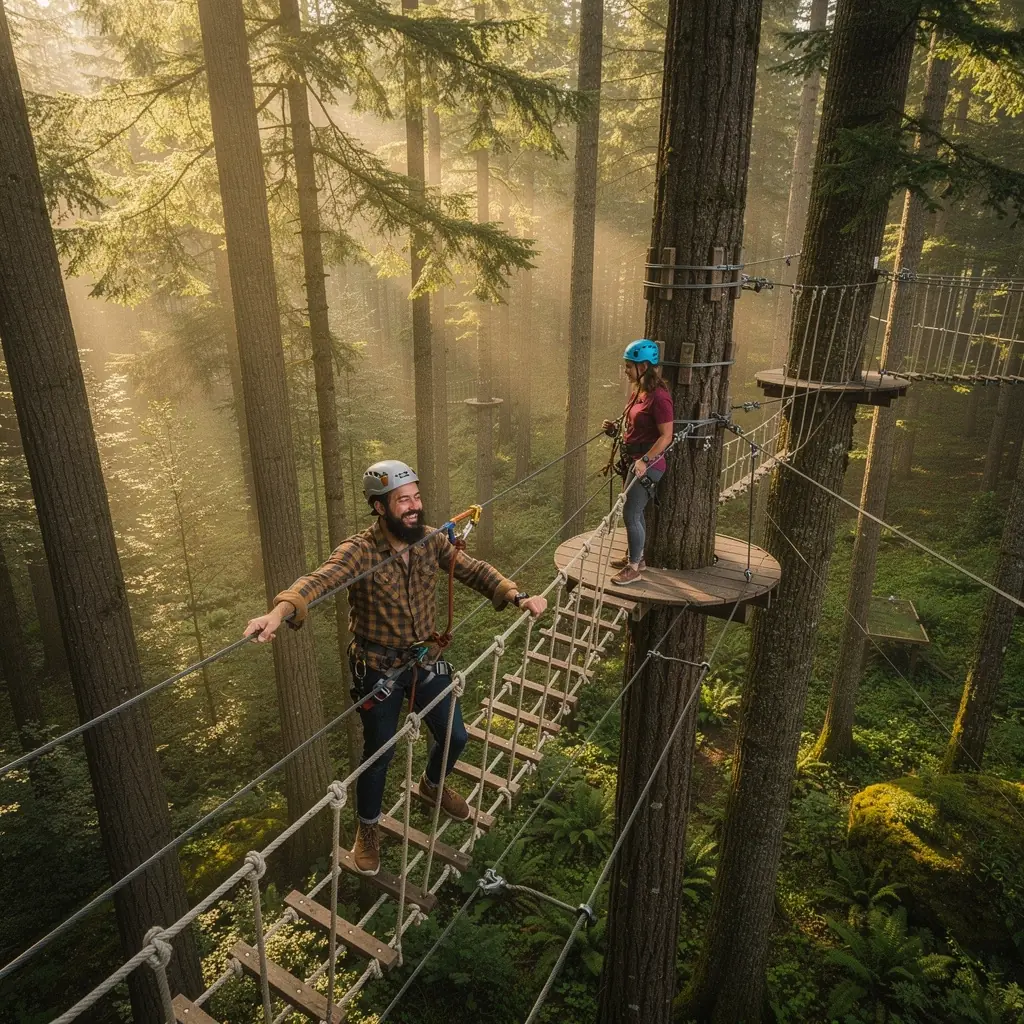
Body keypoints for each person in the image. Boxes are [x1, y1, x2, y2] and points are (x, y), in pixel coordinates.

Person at [243, 460, 547, 877]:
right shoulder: (360, 551)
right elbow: (321, 579)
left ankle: (432, 785)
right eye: (403, 500)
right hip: (379, 669)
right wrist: (280, 612)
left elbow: (472, 570)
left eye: (416, 497)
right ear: (380, 507)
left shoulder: (430, 541)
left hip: (424, 662)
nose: (414, 507)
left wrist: (517, 595)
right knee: (379, 752)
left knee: (455, 736)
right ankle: (367, 830)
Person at [601, 339, 675, 586]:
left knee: (630, 513)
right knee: (635, 511)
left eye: (628, 366)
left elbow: (666, 436)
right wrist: (615, 429)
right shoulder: (639, 393)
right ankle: (637, 558)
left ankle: (633, 568)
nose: (625, 370)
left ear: (643, 366)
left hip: (648, 464)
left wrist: (645, 460)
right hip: (635, 460)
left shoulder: (660, 398)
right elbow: (635, 426)